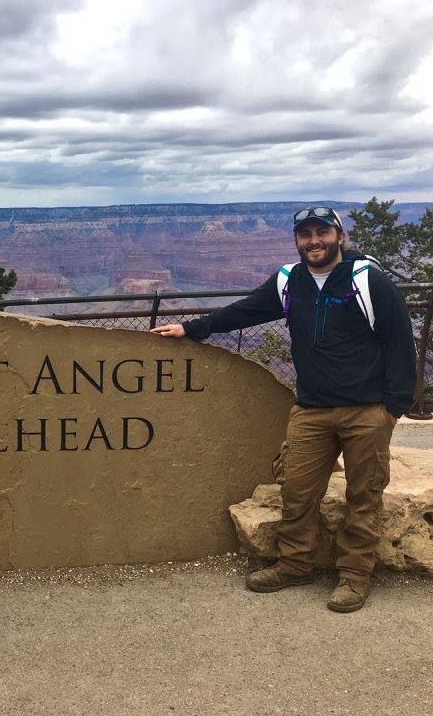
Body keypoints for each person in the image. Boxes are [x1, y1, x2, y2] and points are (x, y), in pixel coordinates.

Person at [151, 206, 416, 613]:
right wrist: (192, 328)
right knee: (296, 490)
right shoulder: (289, 281)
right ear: (296, 240)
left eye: (322, 233)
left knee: (364, 496)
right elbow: (244, 311)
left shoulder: (368, 281)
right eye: (305, 234)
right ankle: (295, 564)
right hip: (311, 410)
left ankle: (354, 575)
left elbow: (400, 341)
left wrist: (392, 409)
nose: (314, 240)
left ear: (339, 237)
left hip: (366, 410)